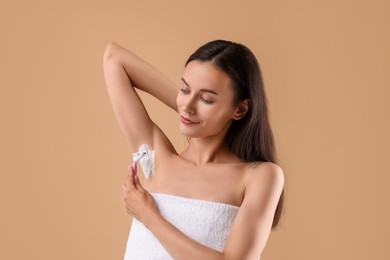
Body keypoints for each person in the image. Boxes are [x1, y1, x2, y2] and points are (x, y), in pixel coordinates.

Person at [103, 39, 285, 259]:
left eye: (207, 99)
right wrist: (188, 110)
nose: (188, 105)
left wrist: (149, 216)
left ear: (240, 109)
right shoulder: (158, 159)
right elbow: (114, 59)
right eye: (184, 89)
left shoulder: (260, 176)